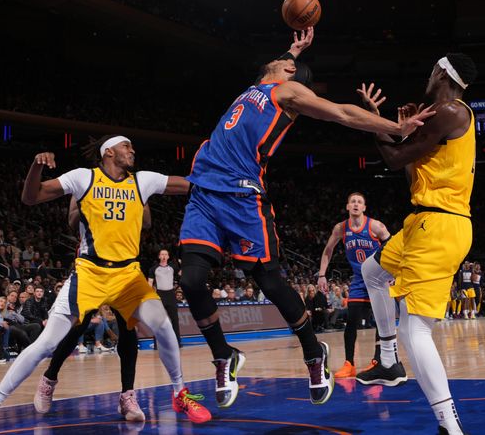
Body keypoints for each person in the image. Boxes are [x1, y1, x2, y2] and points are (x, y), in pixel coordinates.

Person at [177, 27, 430, 409]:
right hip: (204, 193)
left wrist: (396, 128)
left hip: (242, 197)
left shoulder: (287, 92)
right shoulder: (258, 86)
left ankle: (314, 354)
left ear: (290, 76)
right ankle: (223, 356)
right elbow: (275, 67)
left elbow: (343, 114)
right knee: (191, 281)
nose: (286, 60)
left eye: (290, 64)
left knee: (271, 283)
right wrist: (292, 50)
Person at [0, 139, 210, 435]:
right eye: (127, 146)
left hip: (128, 274)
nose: (133, 150)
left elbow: (189, 185)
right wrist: (35, 166)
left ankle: (179, 393)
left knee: (163, 326)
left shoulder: (142, 181)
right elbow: (32, 197)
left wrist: (225, 176)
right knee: (47, 342)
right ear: (109, 152)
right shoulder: (84, 177)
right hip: (90, 272)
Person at [355, 53, 478, 435]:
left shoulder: (452, 112)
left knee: (416, 329)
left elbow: (391, 159)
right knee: (371, 272)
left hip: (440, 227)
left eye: (431, 69)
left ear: (441, 72)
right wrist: (405, 131)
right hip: (422, 222)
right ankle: (389, 361)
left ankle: (449, 426)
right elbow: (409, 170)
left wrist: (380, 124)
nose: (427, 73)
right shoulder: (440, 116)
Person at [35, 195, 144, 418]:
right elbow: (72, 221)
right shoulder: (86, 183)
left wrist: (140, 200)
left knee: (128, 329)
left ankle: (127, 395)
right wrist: (92, 204)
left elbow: (147, 221)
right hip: (92, 269)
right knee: (78, 326)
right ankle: (50, 377)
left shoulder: (130, 186)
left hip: (122, 268)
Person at [318, 192, 390, 378]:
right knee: (351, 321)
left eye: (359, 202)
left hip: (379, 279)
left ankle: (377, 361)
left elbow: (392, 246)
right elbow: (328, 250)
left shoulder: (375, 226)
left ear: (364, 207)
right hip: (359, 280)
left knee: (381, 322)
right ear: (348, 206)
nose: (356, 204)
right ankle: (349, 363)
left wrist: (393, 272)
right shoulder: (341, 228)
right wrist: (322, 275)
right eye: (353, 202)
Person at [149, 248, 181, 347]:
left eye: (165, 254)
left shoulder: (173, 267)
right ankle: (156, 344)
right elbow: (149, 283)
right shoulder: (153, 269)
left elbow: (182, 274)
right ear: (159, 256)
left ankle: (177, 343)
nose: (163, 256)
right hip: (159, 295)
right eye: (162, 254)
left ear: (168, 257)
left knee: (175, 319)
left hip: (171, 295)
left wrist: (182, 263)